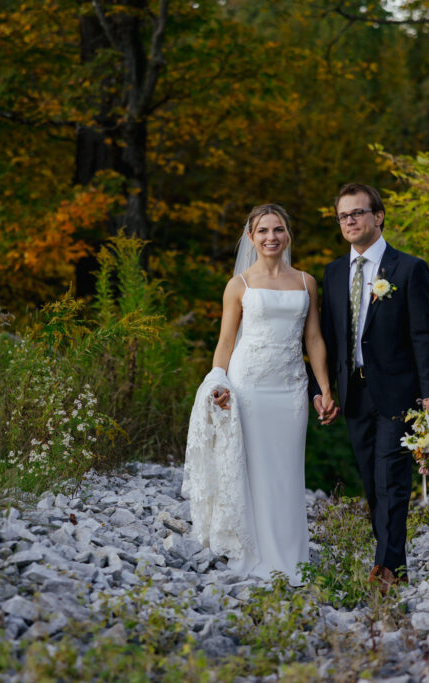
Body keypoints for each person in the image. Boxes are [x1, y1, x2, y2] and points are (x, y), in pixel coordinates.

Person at [183, 204, 335, 585]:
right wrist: (219, 382)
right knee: (251, 469)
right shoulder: (239, 285)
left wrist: (325, 388)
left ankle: (290, 557)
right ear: (251, 238)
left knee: (285, 469)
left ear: (288, 235)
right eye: (263, 231)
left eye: (279, 229)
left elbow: (314, 339)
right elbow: (225, 341)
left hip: (290, 389)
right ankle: (252, 552)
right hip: (248, 386)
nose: (272, 237)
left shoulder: (306, 282)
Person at [312, 183, 429, 591]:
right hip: (354, 394)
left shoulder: (408, 268)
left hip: (398, 393)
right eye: (343, 216)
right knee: (372, 481)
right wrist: (322, 391)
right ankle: (392, 562)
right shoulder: (334, 273)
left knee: (391, 478)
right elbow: (329, 340)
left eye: (358, 213)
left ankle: (386, 568)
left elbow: (424, 335)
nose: (350, 221)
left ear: (378, 216)